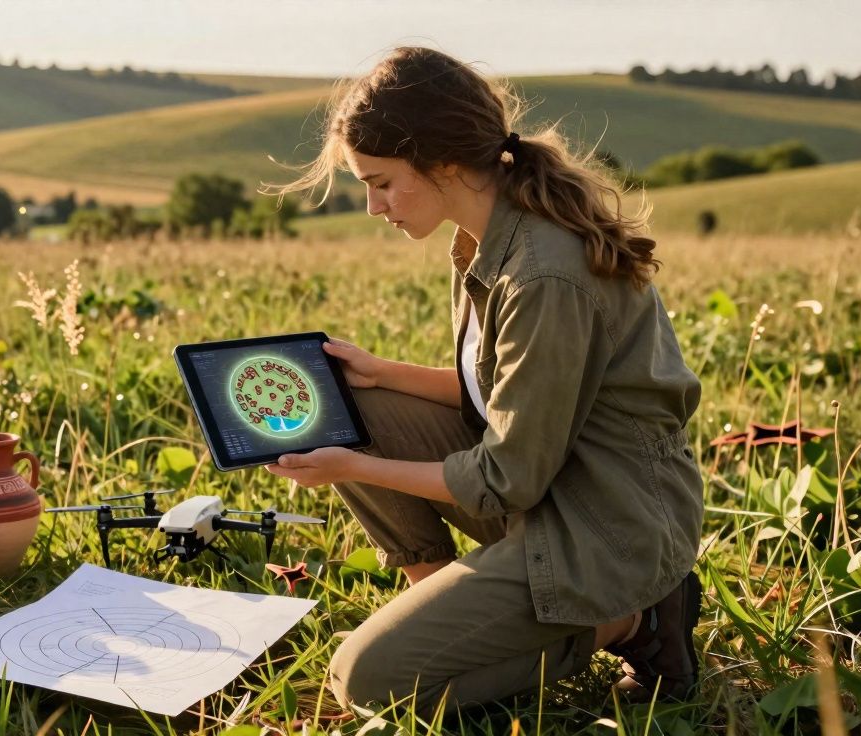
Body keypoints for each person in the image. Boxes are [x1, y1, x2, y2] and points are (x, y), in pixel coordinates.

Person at [264, 46, 705, 713]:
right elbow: (513, 394)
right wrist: (383, 373)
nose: (372, 206)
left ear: (442, 163)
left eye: (381, 181)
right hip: (551, 490)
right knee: (351, 402)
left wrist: (351, 469)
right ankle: (450, 608)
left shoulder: (542, 273)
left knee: (366, 682)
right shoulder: (481, 237)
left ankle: (633, 621)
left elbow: (508, 476)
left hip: (604, 527)